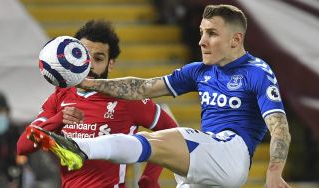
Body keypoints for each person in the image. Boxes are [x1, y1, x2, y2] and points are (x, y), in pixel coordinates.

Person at [27, 4, 291, 188]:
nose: (201, 41)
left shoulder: (256, 72)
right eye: (201, 32)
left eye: (211, 33)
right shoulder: (198, 71)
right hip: (203, 168)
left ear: (235, 39)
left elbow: (279, 127)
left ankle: (82, 149)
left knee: (154, 139)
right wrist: (88, 82)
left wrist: (273, 173)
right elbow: (143, 87)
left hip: (230, 154)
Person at [17, 20, 178, 188]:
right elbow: (23, 146)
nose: (90, 65)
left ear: (111, 63)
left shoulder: (127, 98)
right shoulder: (60, 96)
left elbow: (171, 131)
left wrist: (149, 177)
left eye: (98, 58)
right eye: (84, 56)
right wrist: (58, 120)